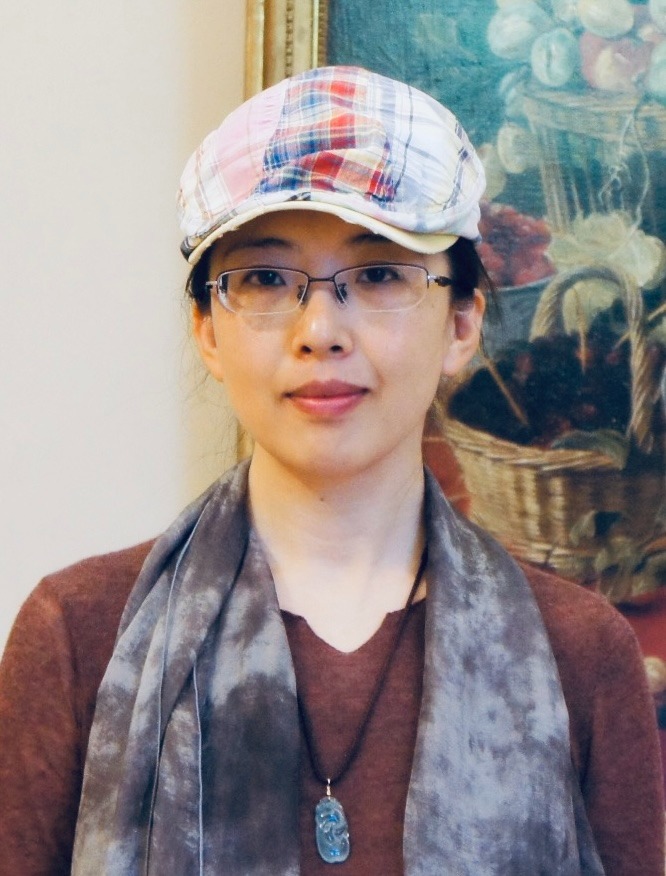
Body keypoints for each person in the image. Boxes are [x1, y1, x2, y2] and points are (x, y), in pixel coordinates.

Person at [0, 66, 663, 876]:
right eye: (266, 279)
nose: (320, 329)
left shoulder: (582, 654)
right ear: (208, 330)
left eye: (379, 274)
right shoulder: (78, 635)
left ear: (462, 323)